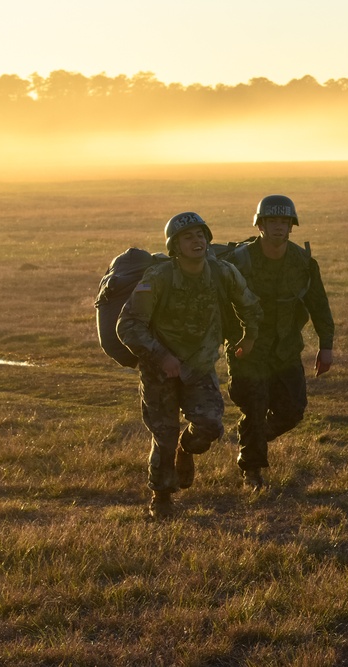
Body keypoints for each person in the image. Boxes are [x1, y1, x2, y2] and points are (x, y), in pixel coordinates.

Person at [117, 212, 262, 518]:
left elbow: (249, 304)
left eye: (200, 236)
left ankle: (187, 450)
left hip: (199, 364)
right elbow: (128, 326)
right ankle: (161, 496)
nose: (197, 242)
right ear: (174, 246)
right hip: (159, 370)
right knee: (164, 434)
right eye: (188, 237)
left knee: (210, 425)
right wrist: (162, 357)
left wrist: (249, 337)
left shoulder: (222, 271)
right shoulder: (159, 278)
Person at [224, 194, 335, 491]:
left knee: (292, 410)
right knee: (255, 405)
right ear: (260, 225)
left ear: (291, 226)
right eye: (272, 221)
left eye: (284, 221)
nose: (278, 227)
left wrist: (327, 345)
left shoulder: (303, 262)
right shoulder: (240, 261)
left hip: (285, 349)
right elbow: (222, 306)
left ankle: (252, 437)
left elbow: (319, 305)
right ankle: (252, 470)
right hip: (248, 349)